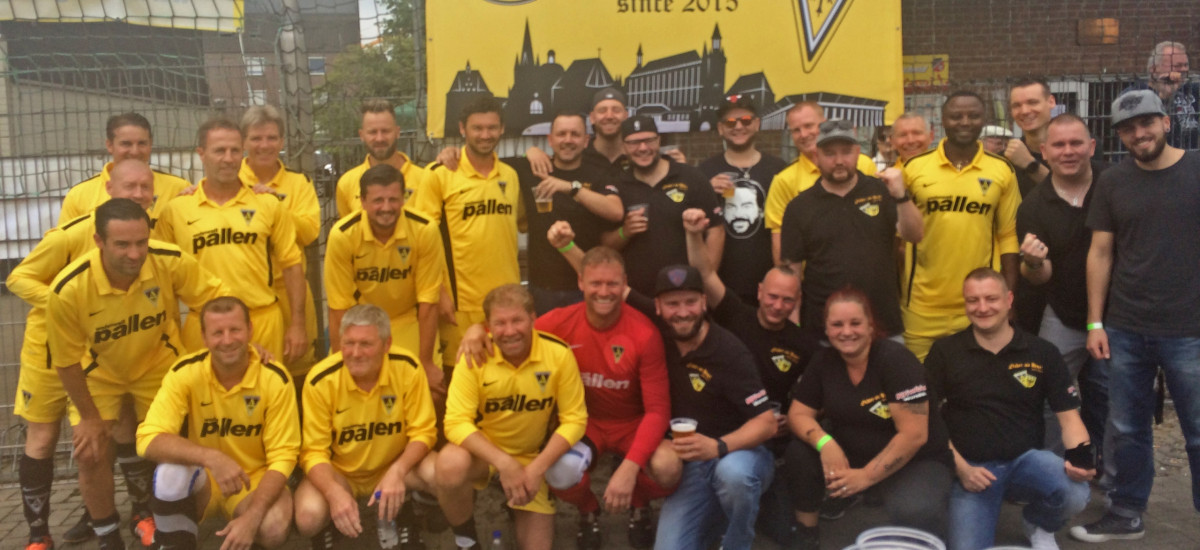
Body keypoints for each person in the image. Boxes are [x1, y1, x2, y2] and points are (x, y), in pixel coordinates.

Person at [458, 246, 678, 549]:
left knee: (669, 466)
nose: (604, 292)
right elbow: (512, 329)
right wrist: (475, 329)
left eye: (612, 284)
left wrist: (629, 469)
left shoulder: (644, 332)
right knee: (560, 472)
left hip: (632, 424)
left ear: (624, 284)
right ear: (580, 282)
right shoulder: (560, 322)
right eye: (596, 283)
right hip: (587, 425)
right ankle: (588, 510)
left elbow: (657, 411)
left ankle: (639, 503)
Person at [46, 199, 227, 550]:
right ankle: (108, 536)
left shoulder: (167, 259)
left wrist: (228, 343)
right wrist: (89, 418)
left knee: (176, 447)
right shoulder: (68, 288)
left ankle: (173, 530)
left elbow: (216, 297)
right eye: (122, 244)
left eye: (141, 242)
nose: (135, 253)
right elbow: (65, 361)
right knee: (90, 450)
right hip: (100, 373)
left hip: (158, 364)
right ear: (99, 241)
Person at [7, 161, 166, 550]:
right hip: (51, 349)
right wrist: (64, 305)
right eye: (130, 187)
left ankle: (138, 514)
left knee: (121, 428)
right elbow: (17, 277)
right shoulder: (73, 234)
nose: (139, 195)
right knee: (44, 437)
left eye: (145, 188)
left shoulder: (145, 236)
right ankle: (38, 534)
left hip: (104, 351)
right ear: (108, 189)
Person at [1071, 89, 1200, 542]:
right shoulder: (1113, 182)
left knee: (1198, 430)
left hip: (1190, 328)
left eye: (1146, 123)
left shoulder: (1197, 169)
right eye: (1127, 128)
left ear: (1166, 122)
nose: (1138, 133)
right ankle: (1126, 512)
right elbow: (1100, 252)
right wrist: (1095, 322)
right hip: (1126, 326)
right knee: (1126, 428)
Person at [679, 208, 819, 544]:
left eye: (787, 300)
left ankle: (760, 496)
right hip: (717, 429)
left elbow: (821, 395)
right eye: (772, 296)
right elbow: (703, 272)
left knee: (778, 529)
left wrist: (795, 417)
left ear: (798, 301)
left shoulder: (804, 344)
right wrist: (693, 234)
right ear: (759, 292)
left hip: (762, 443)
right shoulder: (734, 314)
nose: (778, 306)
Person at [927, 269, 1094, 550]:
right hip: (972, 469)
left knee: (1075, 493)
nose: (982, 308)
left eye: (991, 298)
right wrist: (961, 468)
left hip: (1026, 462)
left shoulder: (1042, 352)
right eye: (973, 300)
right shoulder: (945, 352)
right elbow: (925, 419)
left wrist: (1081, 459)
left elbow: (1069, 417)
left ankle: (1038, 522)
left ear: (1009, 299)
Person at [785, 287, 953, 549]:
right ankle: (807, 534)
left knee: (913, 508)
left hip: (916, 460)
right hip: (854, 452)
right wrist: (824, 443)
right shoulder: (824, 361)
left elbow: (914, 435)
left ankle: (928, 539)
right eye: (837, 324)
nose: (846, 331)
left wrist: (865, 476)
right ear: (826, 329)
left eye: (855, 323)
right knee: (799, 452)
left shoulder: (897, 360)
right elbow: (797, 413)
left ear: (870, 326)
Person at [136, 296, 300, 550]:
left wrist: (252, 517)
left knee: (273, 526)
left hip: (252, 480)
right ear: (203, 337)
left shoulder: (275, 378)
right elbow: (147, 439)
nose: (227, 340)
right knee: (169, 474)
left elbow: (284, 456)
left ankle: (243, 534)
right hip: (204, 478)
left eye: (235, 330)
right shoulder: (185, 372)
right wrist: (212, 458)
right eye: (217, 333)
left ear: (250, 330)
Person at [633, 265, 777, 550]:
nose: (682, 312)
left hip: (739, 454)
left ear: (703, 302)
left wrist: (718, 446)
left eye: (690, 302)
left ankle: (736, 543)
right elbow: (608, 286)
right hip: (692, 467)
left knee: (734, 476)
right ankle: (715, 521)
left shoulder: (729, 351)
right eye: (672, 304)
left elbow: (767, 422)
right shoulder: (656, 340)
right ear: (658, 307)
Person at [435, 284, 587, 550]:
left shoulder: (558, 354)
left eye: (517, 320)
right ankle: (466, 539)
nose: (509, 331)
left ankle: (517, 502)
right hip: (485, 456)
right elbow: (455, 423)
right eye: (500, 323)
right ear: (488, 326)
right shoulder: (474, 356)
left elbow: (575, 419)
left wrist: (536, 469)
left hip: (531, 458)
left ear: (533, 318)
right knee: (449, 464)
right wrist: (505, 464)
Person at [157, 117, 308, 365]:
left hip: (262, 320)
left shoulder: (268, 203)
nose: (228, 158)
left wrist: (298, 324)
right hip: (203, 325)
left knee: (265, 389)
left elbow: (292, 266)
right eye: (219, 151)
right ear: (201, 153)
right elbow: (163, 276)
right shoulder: (176, 210)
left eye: (235, 150)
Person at [295, 304, 439, 550]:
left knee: (442, 474)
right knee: (308, 517)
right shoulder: (320, 380)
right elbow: (313, 452)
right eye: (348, 343)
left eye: (366, 344)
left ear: (387, 344)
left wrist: (398, 471)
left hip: (392, 465)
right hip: (342, 474)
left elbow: (424, 432)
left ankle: (405, 510)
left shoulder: (408, 367)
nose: (355, 353)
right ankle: (330, 525)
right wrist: (332, 492)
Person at [1015, 114, 1111, 464]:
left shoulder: (1113, 184)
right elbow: (1040, 277)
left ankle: (1106, 470)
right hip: (1064, 311)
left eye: (1075, 143)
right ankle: (1055, 469)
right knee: (1049, 393)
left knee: (1112, 396)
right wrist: (1033, 262)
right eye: (1058, 145)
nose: (1068, 151)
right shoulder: (1033, 206)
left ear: (1092, 146)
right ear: (1044, 152)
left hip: (1119, 312)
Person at [901, 91, 1022, 361]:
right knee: (919, 384)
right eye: (956, 116)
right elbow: (899, 238)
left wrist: (1008, 296)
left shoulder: (1001, 170)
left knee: (977, 383)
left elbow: (1009, 236)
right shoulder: (914, 168)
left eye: (973, 116)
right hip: (922, 307)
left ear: (984, 120)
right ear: (943, 120)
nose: (965, 122)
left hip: (980, 306)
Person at [779, 119, 923, 340]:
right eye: (829, 154)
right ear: (816, 156)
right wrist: (793, 333)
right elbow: (792, 275)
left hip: (882, 324)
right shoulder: (799, 207)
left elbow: (915, 235)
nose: (839, 161)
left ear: (857, 153)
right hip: (823, 331)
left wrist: (901, 196)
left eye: (846, 152)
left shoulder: (882, 191)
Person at [409, 96, 522, 374]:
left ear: (502, 128)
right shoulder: (439, 174)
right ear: (462, 129)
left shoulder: (510, 175)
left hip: (506, 301)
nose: (485, 135)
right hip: (460, 304)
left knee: (505, 378)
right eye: (477, 128)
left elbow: (520, 224)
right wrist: (440, 292)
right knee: (461, 377)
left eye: (492, 127)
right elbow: (422, 240)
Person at [325, 164, 446, 397]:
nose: (386, 208)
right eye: (378, 201)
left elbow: (429, 302)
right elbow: (338, 306)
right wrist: (342, 361)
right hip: (361, 323)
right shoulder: (343, 235)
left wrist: (426, 363)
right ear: (363, 201)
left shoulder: (425, 229)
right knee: (349, 390)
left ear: (403, 199)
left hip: (406, 319)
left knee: (431, 393)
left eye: (393, 199)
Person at [600, 115, 724, 297]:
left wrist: (706, 280)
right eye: (634, 142)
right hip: (635, 295)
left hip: (684, 295)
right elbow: (604, 246)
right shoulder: (617, 185)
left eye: (649, 140)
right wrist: (625, 232)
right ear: (623, 147)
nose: (643, 148)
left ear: (659, 141)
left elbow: (716, 230)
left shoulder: (691, 177)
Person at [239, 105, 321, 378]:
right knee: (251, 373)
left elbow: (309, 232)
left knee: (297, 368)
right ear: (244, 142)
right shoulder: (229, 181)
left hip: (290, 292)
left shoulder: (299, 183)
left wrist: (274, 206)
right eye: (256, 138)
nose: (264, 145)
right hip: (247, 296)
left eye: (272, 138)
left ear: (282, 142)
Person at [514, 112, 623, 313]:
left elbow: (615, 211)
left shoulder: (598, 172)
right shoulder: (532, 168)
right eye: (561, 134)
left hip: (587, 288)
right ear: (550, 139)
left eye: (575, 134)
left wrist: (571, 188)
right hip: (542, 289)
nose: (568, 140)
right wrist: (529, 151)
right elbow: (486, 161)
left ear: (586, 141)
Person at [698, 95, 788, 306]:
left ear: (756, 124)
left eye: (746, 120)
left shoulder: (778, 169)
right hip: (720, 283)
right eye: (730, 122)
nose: (738, 126)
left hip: (768, 286)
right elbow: (691, 222)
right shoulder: (703, 171)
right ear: (720, 129)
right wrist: (705, 192)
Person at [763, 102, 877, 264]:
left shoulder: (864, 165)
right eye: (796, 130)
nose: (803, 134)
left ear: (824, 124)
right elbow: (780, 242)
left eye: (809, 126)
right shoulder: (784, 181)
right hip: (812, 276)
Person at [58, 112, 189, 224]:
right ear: (109, 145)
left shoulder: (178, 188)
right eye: (126, 144)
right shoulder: (79, 195)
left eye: (142, 143)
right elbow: (66, 244)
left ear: (151, 144)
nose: (135, 152)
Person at [336, 99, 427, 217]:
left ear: (397, 132)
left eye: (385, 131)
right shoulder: (346, 184)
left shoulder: (424, 180)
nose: (379, 138)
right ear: (362, 135)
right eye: (372, 132)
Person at [1122, 41, 1198, 151]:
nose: (1184, 70)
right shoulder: (1134, 94)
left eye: (1186, 65)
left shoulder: (1191, 89)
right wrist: (1164, 96)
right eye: (1177, 66)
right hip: (1151, 156)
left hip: (1190, 156)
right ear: (1154, 70)